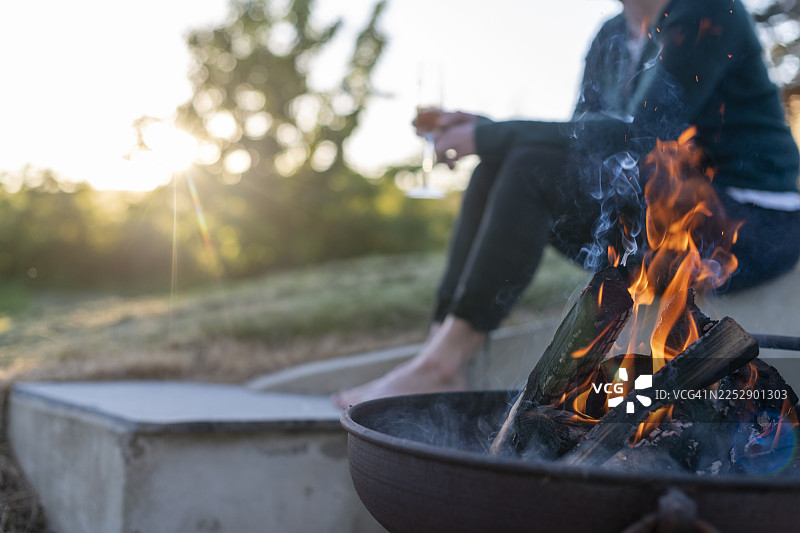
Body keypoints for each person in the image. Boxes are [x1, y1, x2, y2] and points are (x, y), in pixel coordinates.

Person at [331, 0, 800, 408]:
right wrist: (488, 134)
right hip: (664, 211)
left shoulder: (708, 9)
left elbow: (639, 130)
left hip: (750, 222)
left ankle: (441, 362)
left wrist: (488, 134)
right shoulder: (611, 35)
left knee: (528, 163)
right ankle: (439, 354)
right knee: (502, 164)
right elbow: (583, 140)